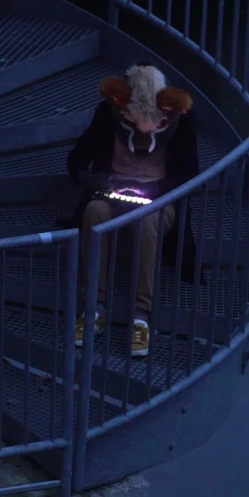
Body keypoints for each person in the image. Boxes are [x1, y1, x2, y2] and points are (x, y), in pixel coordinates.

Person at [66, 64, 200, 357]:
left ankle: (141, 315)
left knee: (147, 221)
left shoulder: (180, 122)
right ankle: (93, 307)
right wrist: (91, 179)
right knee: (94, 213)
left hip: (157, 201)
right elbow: (76, 158)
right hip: (112, 192)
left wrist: (158, 194)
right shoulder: (108, 115)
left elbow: (191, 174)